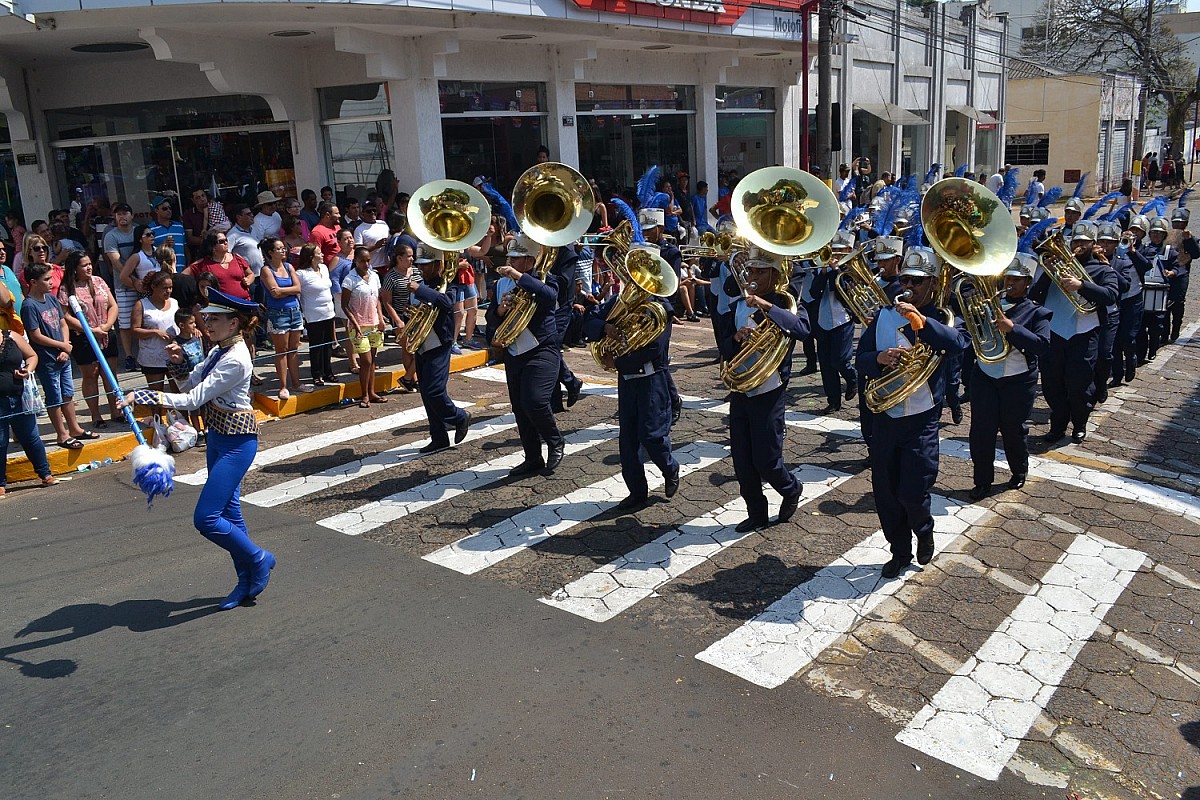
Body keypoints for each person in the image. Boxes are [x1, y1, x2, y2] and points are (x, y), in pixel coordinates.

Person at [120, 289, 276, 610]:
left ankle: (259, 559)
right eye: (207, 317)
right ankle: (245, 580)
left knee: (206, 518)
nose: (207, 322)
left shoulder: (235, 357)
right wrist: (177, 364)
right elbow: (190, 384)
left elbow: (193, 401)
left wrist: (147, 396)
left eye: (215, 319)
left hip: (237, 442)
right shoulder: (219, 350)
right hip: (218, 436)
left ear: (234, 323)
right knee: (230, 513)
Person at [856, 247, 969, 578]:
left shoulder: (943, 316)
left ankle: (924, 528)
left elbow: (957, 343)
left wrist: (920, 321)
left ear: (932, 284)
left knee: (913, 490)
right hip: (885, 416)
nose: (910, 286)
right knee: (886, 493)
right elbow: (860, 359)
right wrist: (878, 359)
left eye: (918, 282)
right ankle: (899, 551)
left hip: (921, 418)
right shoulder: (882, 315)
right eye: (906, 279)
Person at [716, 249, 810, 532]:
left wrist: (767, 307)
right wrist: (736, 338)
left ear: (774, 275)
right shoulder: (739, 305)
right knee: (742, 460)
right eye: (751, 271)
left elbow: (803, 329)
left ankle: (790, 488)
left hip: (769, 389)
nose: (752, 277)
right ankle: (756, 513)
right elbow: (724, 345)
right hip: (741, 388)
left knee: (767, 460)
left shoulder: (786, 302)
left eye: (759, 272)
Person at [582, 241, 680, 511]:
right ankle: (637, 491)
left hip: (651, 379)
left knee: (652, 435)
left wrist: (618, 361)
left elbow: (654, 349)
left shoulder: (661, 308)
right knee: (628, 440)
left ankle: (670, 469)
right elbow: (588, 321)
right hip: (627, 381)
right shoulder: (620, 300)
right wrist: (606, 326)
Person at [967, 255, 1052, 501]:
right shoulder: (988, 304)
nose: (1011, 283)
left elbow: (1042, 346)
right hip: (984, 375)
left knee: (1013, 430)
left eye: (1017, 279)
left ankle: (1019, 470)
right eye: (1009, 278)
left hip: (1018, 379)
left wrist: (1013, 329)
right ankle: (982, 481)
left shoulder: (1037, 312)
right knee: (981, 432)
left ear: (1028, 283)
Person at [1029, 222, 1119, 444]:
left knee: (1079, 385)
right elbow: (1035, 296)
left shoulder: (1102, 270)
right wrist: (1047, 273)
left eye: (1084, 242)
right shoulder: (1056, 268)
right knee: (1052, 384)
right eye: (1076, 241)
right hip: (1055, 332)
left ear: (1092, 244)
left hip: (1084, 333)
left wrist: (1081, 285)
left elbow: (1111, 295)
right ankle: (1057, 426)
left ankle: (1079, 424)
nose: (1079, 245)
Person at [486, 234, 564, 475]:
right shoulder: (501, 285)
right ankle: (532, 457)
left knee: (535, 401)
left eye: (515, 258)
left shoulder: (546, 280)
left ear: (529, 261)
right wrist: (500, 310)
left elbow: (550, 297)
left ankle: (555, 441)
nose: (509, 261)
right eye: (509, 256)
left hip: (541, 349)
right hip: (514, 351)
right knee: (519, 406)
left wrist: (520, 278)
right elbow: (490, 319)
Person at [20, 262, 96, 450]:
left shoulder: (52, 299)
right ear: (33, 282)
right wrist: (61, 345)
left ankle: (74, 427)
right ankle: (62, 434)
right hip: (47, 359)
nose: (50, 283)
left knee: (68, 393)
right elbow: (35, 335)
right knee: (54, 396)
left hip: (63, 355)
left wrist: (65, 347)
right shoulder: (29, 305)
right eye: (46, 280)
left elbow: (63, 323)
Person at [407, 246, 472, 452]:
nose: (421, 268)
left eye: (425, 265)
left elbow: (446, 303)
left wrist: (420, 290)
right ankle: (438, 436)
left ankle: (459, 416)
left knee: (435, 390)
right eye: (419, 265)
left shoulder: (447, 284)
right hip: (422, 343)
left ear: (436, 265)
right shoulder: (422, 284)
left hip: (439, 344)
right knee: (426, 393)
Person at [59, 251, 120, 429]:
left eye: (89, 264)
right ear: (75, 269)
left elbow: (113, 305)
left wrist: (107, 326)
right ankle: (96, 414)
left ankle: (116, 410)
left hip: (107, 333)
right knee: (91, 375)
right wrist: (91, 330)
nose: (89, 267)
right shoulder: (66, 289)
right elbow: (66, 316)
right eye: (84, 265)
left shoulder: (99, 281)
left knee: (110, 373)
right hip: (84, 337)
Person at [0, 323, 58, 497]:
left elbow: (32, 355)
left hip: (19, 398)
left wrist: (28, 370)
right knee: (0, 443)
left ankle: (45, 474)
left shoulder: (11, 336)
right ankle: (0, 484)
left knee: (31, 438)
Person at [808, 241, 859, 414]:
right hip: (823, 321)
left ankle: (853, 377)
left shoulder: (848, 271)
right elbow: (814, 293)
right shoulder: (821, 270)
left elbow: (843, 295)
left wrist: (836, 272)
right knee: (826, 365)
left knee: (839, 360)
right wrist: (823, 272)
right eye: (832, 252)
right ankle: (833, 401)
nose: (834, 255)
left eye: (838, 252)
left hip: (842, 319)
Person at [259, 236, 310, 400]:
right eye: (279, 249)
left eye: (283, 248)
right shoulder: (266, 270)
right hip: (277, 313)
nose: (283, 251)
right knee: (281, 350)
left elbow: (297, 288)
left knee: (293, 349)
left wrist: (284, 290)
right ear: (270, 253)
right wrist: (289, 290)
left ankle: (296, 383)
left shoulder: (289, 267)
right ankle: (283, 386)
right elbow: (274, 291)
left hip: (294, 311)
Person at [1091, 223, 1131, 404]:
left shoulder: (1121, 262)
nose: (1105, 246)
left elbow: (1125, 286)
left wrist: (1109, 268)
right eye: (1102, 241)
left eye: (1109, 242)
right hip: (1089, 313)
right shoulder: (1089, 260)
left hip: (1110, 313)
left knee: (1104, 353)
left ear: (1116, 244)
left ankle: (1101, 384)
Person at [342, 246, 386, 408]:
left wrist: (381, 319)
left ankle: (372, 391)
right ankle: (364, 394)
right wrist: (354, 322)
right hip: (358, 325)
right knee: (365, 361)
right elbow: (344, 305)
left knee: (373, 360)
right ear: (356, 261)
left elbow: (378, 300)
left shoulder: (374, 276)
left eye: (368, 261)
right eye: (362, 261)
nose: (366, 264)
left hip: (374, 322)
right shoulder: (350, 279)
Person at [294, 244, 337, 386]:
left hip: (329, 312)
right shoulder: (301, 274)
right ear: (311, 257)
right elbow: (298, 295)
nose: (323, 254)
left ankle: (328, 371)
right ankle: (317, 374)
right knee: (316, 346)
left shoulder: (324, 268)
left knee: (328, 344)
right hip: (314, 315)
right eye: (319, 253)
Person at [380, 243, 421, 392]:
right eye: (408, 256)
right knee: (408, 348)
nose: (412, 259)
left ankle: (408, 377)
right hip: (401, 317)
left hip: (417, 315)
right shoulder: (391, 276)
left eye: (412, 256)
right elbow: (386, 301)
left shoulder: (416, 271)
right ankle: (412, 380)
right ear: (399, 258)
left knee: (420, 348)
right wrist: (397, 320)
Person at [132, 270, 179, 394]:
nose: (168, 291)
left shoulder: (174, 303)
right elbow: (134, 330)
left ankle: (180, 415)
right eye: (164, 288)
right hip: (152, 358)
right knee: (156, 396)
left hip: (174, 356)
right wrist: (155, 332)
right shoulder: (141, 304)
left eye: (170, 287)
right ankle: (157, 414)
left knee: (178, 393)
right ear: (154, 287)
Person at [1166, 208, 1197, 343]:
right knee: (1164, 304)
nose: (1178, 225)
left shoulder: (1191, 237)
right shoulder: (1166, 235)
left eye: (1181, 223)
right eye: (1175, 222)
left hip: (1182, 273)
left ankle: (1176, 329)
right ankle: (1164, 332)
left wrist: (1189, 240)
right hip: (1166, 273)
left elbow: (1196, 254)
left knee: (1178, 303)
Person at [352, 200, 390, 271]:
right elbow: (358, 249)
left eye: (374, 210)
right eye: (369, 211)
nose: (372, 213)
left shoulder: (383, 224)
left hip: (387, 264)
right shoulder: (359, 229)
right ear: (362, 213)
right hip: (372, 267)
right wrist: (375, 246)